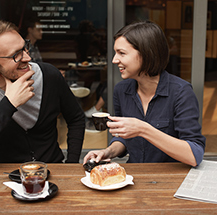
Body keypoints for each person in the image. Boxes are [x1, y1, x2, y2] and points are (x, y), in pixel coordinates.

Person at [0, 18, 85, 173]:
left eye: (25, 48)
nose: (28, 58)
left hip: (52, 172)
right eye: (16, 55)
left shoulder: (49, 75)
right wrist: (9, 104)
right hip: (2, 178)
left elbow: (76, 118)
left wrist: (71, 165)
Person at [83, 21, 205, 167]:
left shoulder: (181, 92)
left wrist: (143, 129)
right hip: (135, 176)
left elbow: (194, 155)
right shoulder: (121, 90)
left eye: (122, 53)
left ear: (146, 54)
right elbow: (123, 138)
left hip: (171, 180)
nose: (114, 60)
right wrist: (108, 152)